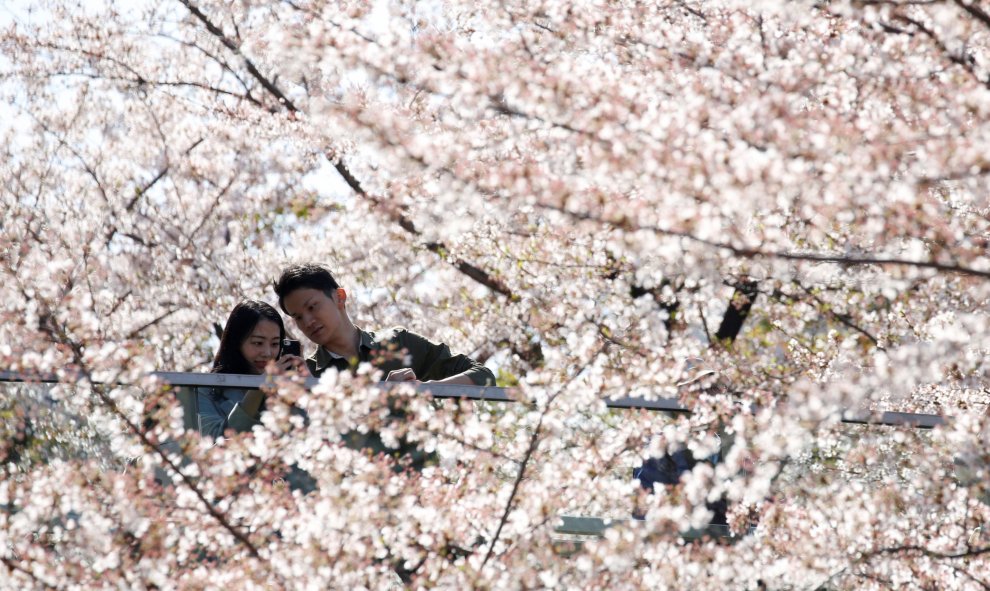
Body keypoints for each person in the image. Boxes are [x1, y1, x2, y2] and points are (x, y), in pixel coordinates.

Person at [272, 263, 495, 386]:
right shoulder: (308, 373)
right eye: (298, 317)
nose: (307, 322)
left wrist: (423, 390)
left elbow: (484, 376)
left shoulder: (398, 342)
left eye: (312, 307)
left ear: (340, 297)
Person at [197, 300, 308, 439]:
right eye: (258, 343)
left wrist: (306, 389)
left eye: (274, 344)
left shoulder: (284, 388)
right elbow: (215, 443)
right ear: (236, 342)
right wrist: (259, 389)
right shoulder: (207, 390)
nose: (267, 353)